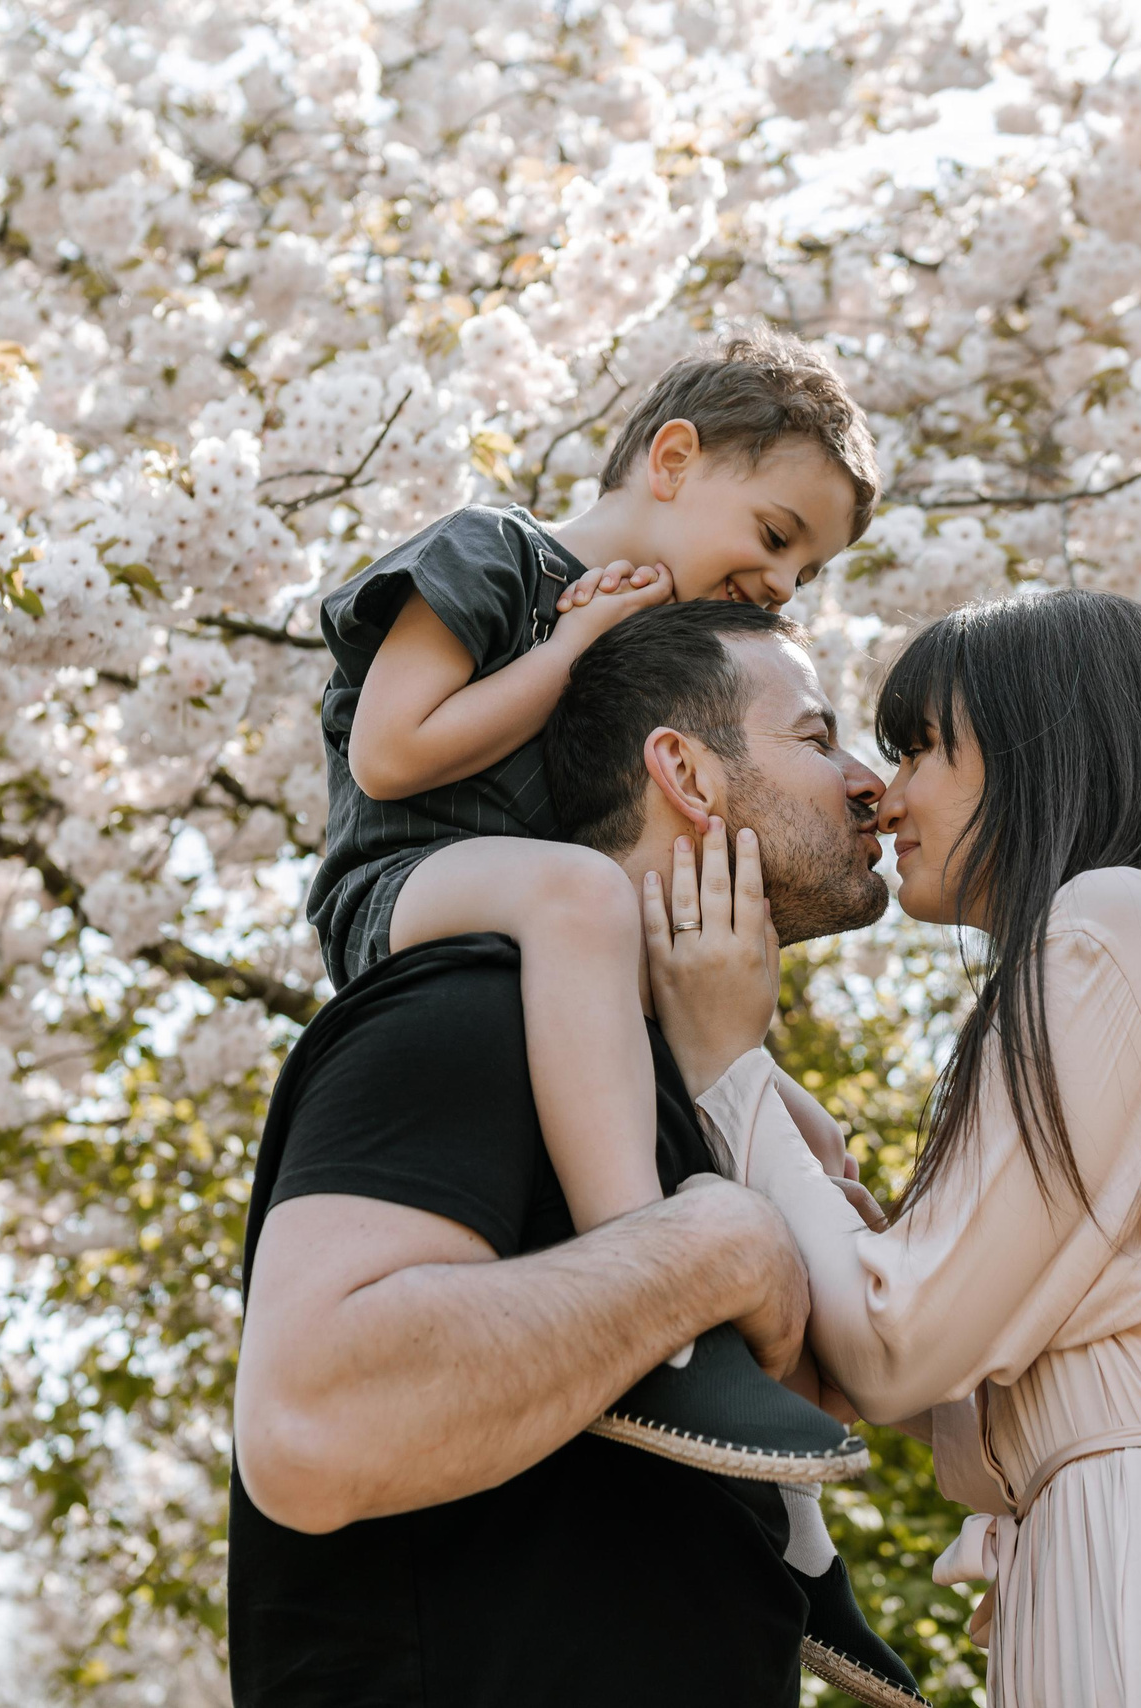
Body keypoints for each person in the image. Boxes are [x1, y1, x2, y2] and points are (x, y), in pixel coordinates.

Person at [657, 589, 1141, 1706]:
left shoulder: (1112, 922)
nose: (887, 792)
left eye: (923, 749)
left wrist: (725, 1064)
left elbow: (894, 1346)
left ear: (1045, 749)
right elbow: (969, 1372)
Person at [229, 603, 923, 1708]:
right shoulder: (470, 1010)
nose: (868, 784)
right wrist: (714, 1250)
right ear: (684, 773)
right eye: (815, 736)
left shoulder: (686, 1096)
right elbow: (309, 1426)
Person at [303, 326, 881, 1478]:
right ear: (671, 459)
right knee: (579, 888)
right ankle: (655, 1292)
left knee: (783, 1109)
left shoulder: (634, 643)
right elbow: (391, 754)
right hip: (401, 885)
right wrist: (572, 641)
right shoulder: (491, 554)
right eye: (776, 536)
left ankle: (806, 1475)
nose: (781, 584)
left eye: (806, 573)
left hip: (537, 925)